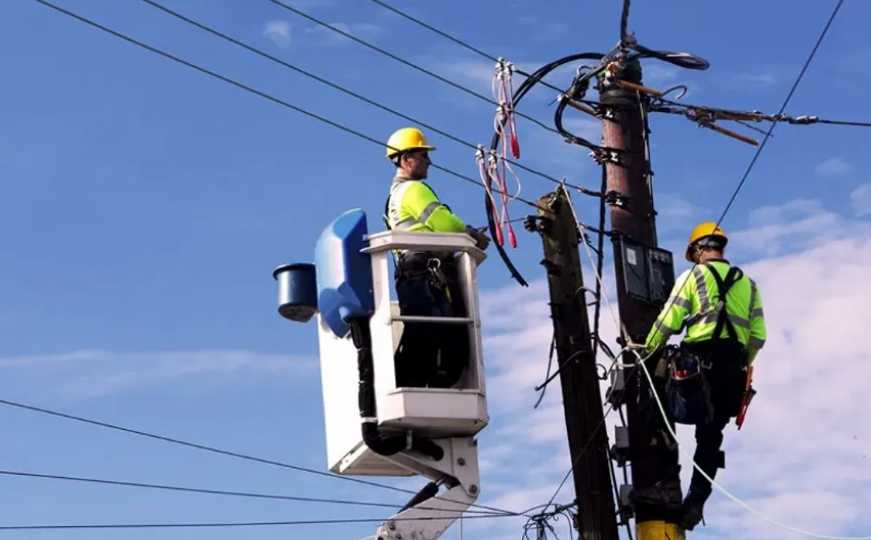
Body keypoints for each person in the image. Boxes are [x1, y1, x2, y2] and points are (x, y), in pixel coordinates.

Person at [643, 221, 767, 531]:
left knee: (655, 403)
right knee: (710, 438)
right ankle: (695, 502)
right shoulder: (749, 285)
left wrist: (645, 352)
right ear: (720, 248)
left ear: (698, 249)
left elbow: (668, 321)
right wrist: (742, 363)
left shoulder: (693, 276)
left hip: (696, 367)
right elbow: (758, 336)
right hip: (733, 372)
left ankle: (663, 482)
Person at [383, 127, 489, 388]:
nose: (429, 161)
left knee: (423, 340)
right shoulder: (413, 189)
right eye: (423, 155)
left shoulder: (394, 197)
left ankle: (410, 387)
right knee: (444, 341)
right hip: (426, 278)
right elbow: (445, 224)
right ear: (406, 159)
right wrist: (472, 235)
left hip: (412, 277)